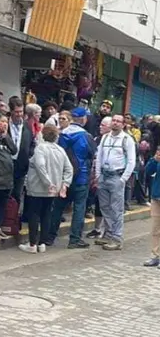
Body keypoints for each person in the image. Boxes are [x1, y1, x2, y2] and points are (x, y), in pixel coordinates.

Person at [21, 125, 73, 254]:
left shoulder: (40, 148)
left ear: (43, 134)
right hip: (53, 190)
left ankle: (32, 244)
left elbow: (40, 166)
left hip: (37, 188)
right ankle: (42, 243)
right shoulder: (60, 150)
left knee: (34, 214)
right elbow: (69, 168)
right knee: (46, 215)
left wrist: (47, 182)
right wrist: (64, 184)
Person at [47, 110, 94, 248]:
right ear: (83, 119)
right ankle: (74, 239)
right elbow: (92, 154)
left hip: (63, 178)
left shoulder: (62, 134)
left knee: (57, 208)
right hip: (81, 177)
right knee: (79, 208)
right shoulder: (86, 136)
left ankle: (50, 236)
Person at [95, 114, 137, 250]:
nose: (116, 123)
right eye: (114, 120)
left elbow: (131, 161)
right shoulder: (105, 137)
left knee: (116, 209)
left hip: (116, 177)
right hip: (104, 176)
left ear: (123, 124)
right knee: (105, 207)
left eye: (119, 121)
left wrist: (123, 179)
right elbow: (99, 156)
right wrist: (97, 175)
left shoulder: (127, 139)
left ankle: (117, 238)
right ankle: (108, 234)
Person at [142, 147, 160, 267]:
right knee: (155, 229)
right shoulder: (157, 157)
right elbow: (148, 171)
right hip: (157, 197)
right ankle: (156, 255)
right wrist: (154, 159)